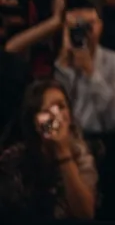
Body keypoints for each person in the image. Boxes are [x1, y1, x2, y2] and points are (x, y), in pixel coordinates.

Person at [0, 80, 97, 220]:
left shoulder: (82, 155)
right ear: (35, 121)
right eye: (47, 110)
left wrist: (63, 152)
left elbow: (86, 214)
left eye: (61, 107)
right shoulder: (13, 159)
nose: (57, 116)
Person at [54, 0, 115, 133]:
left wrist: (91, 73)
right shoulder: (58, 64)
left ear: (100, 26)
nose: (84, 32)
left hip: (104, 140)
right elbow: (54, 114)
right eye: (76, 26)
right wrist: (64, 68)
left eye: (88, 25)